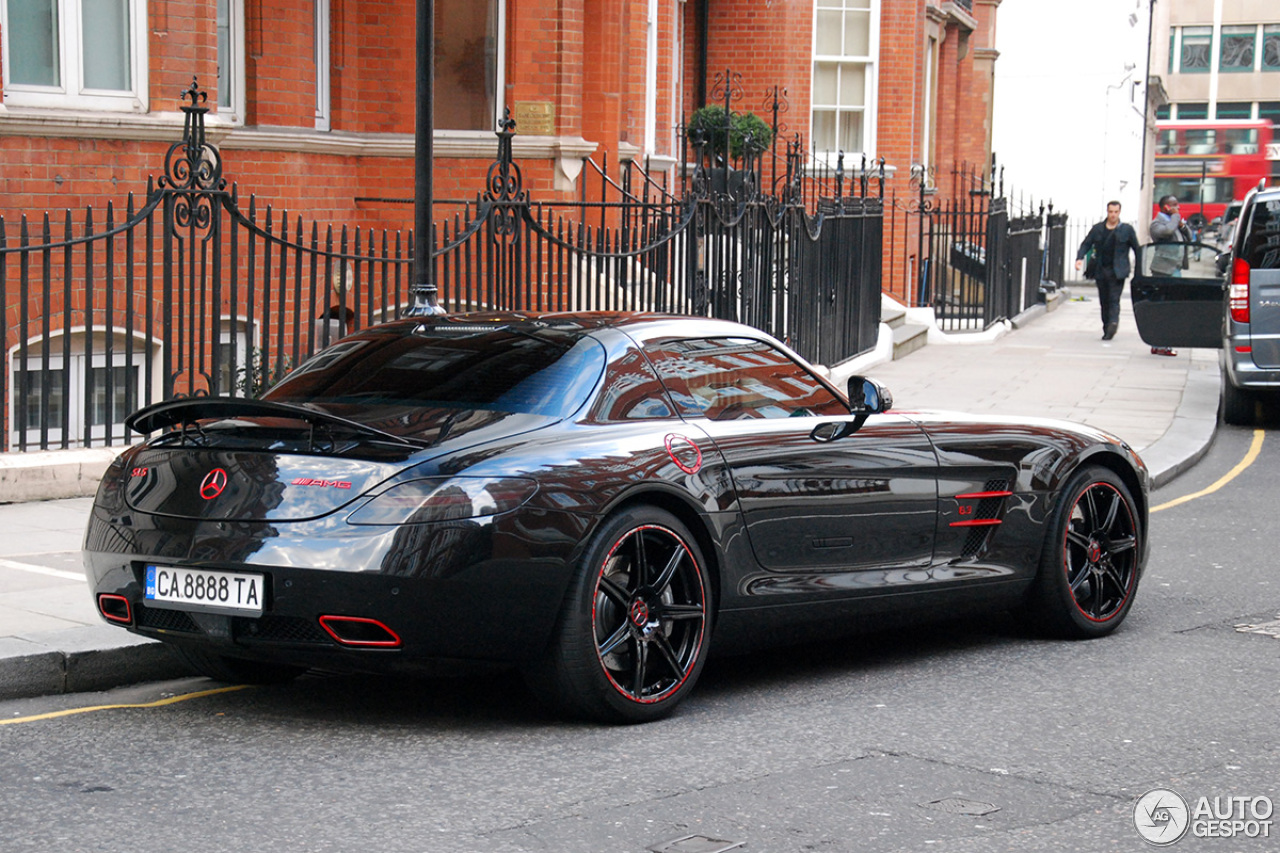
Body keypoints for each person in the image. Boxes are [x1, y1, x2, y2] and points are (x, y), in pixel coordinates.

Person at [1075, 200, 1140, 341]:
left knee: (1114, 299)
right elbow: (1086, 244)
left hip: (1118, 271)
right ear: (1107, 212)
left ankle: (1113, 323)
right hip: (1101, 269)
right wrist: (1079, 258)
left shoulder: (1126, 230)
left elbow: (1136, 248)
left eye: (1116, 212)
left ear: (1119, 212)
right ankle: (1106, 326)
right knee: (1104, 300)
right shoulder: (1098, 229)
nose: (1113, 215)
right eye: (1111, 212)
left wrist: (1140, 268)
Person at [1147, 195, 1193, 356]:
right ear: (1165, 207)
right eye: (1174, 205)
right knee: (1163, 308)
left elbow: (1190, 238)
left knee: (1172, 308)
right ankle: (1159, 344)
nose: (1178, 208)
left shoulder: (1175, 223)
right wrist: (1175, 218)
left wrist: (1182, 225)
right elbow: (1166, 232)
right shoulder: (1157, 224)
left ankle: (1164, 344)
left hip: (1176, 267)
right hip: (1163, 269)